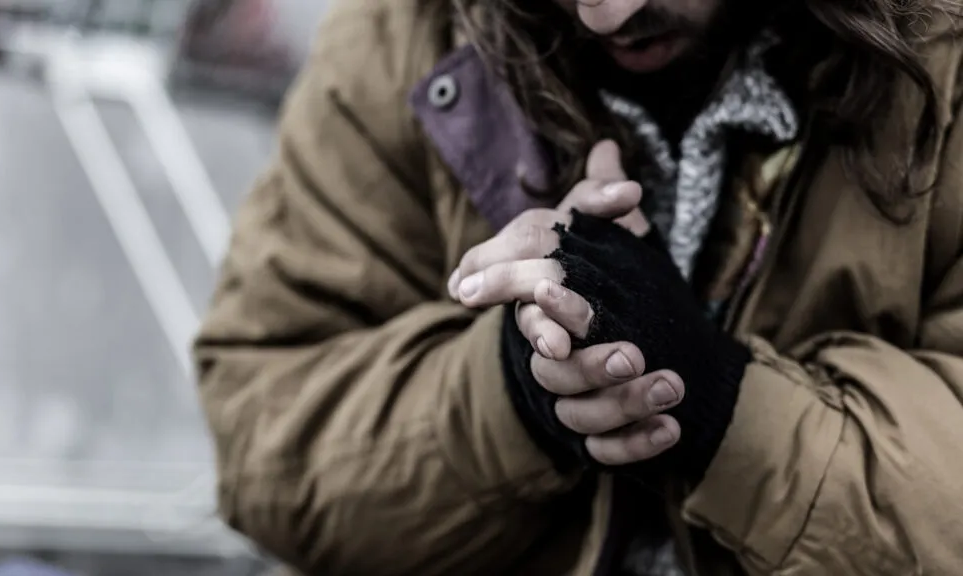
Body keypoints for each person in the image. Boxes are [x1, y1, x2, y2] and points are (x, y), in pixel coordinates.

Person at [194, 0, 963, 574]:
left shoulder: (946, 55)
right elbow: (265, 433)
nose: (608, 12)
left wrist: (723, 401)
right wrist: (515, 393)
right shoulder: (402, 36)